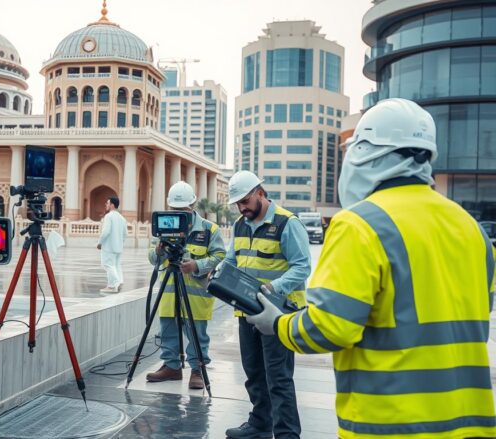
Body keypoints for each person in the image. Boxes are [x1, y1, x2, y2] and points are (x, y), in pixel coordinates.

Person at [246, 98, 496, 438]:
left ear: (365, 152)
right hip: (471, 424)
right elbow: (478, 317)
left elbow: (331, 327)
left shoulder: (359, 224)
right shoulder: (472, 229)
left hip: (393, 423)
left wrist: (277, 324)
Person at [223, 171, 311, 439]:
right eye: (238, 203)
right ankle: (260, 425)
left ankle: (286, 434)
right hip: (246, 312)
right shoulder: (240, 224)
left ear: (260, 192)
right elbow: (231, 261)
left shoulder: (287, 223)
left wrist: (275, 287)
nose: (242, 207)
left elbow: (303, 266)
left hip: (278, 314)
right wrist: (217, 275)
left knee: (279, 378)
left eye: (246, 201)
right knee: (254, 374)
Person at [146, 181, 225, 389]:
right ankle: (171, 366)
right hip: (169, 294)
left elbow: (219, 255)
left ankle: (198, 369)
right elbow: (152, 258)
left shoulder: (209, 229)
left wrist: (197, 265)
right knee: (168, 331)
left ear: (193, 205)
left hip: (196, 296)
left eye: (183, 210)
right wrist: (159, 250)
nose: (178, 214)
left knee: (197, 334)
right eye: (175, 210)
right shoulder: (163, 225)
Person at [97, 196, 127, 293]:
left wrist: (100, 242)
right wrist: (120, 243)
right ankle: (120, 281)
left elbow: (106, 231)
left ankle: (113, 285)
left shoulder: (109, 216)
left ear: (112, 205)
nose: (106, 205)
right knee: (116, 265)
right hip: (118, 246)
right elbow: (125, 234)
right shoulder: (122, 218)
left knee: (108, 265)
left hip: (109, 246)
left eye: (107, 203)